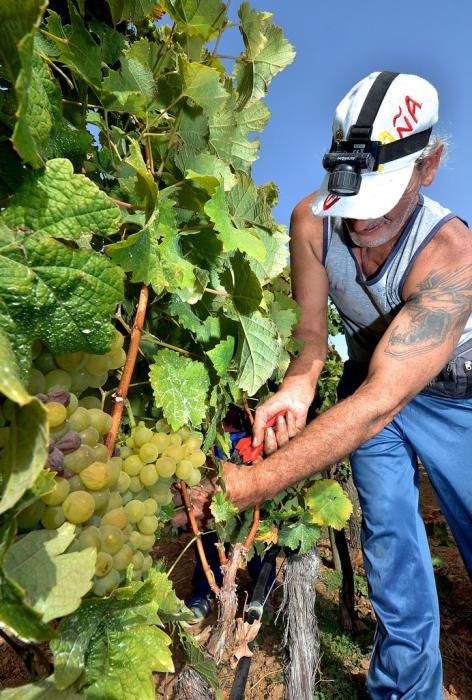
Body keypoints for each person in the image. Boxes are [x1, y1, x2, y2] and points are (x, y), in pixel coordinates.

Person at [223, 71, 472, 699]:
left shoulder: (453, 257)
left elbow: (379, 404)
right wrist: (298, 390)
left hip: (460, 399)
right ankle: (407, 692)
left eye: (378, 205)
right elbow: (311, 342)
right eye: (350, 201)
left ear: (429, 166)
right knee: (389, 542)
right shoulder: (311, 221)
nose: (359, 228)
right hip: (370, 380)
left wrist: (246, 487)